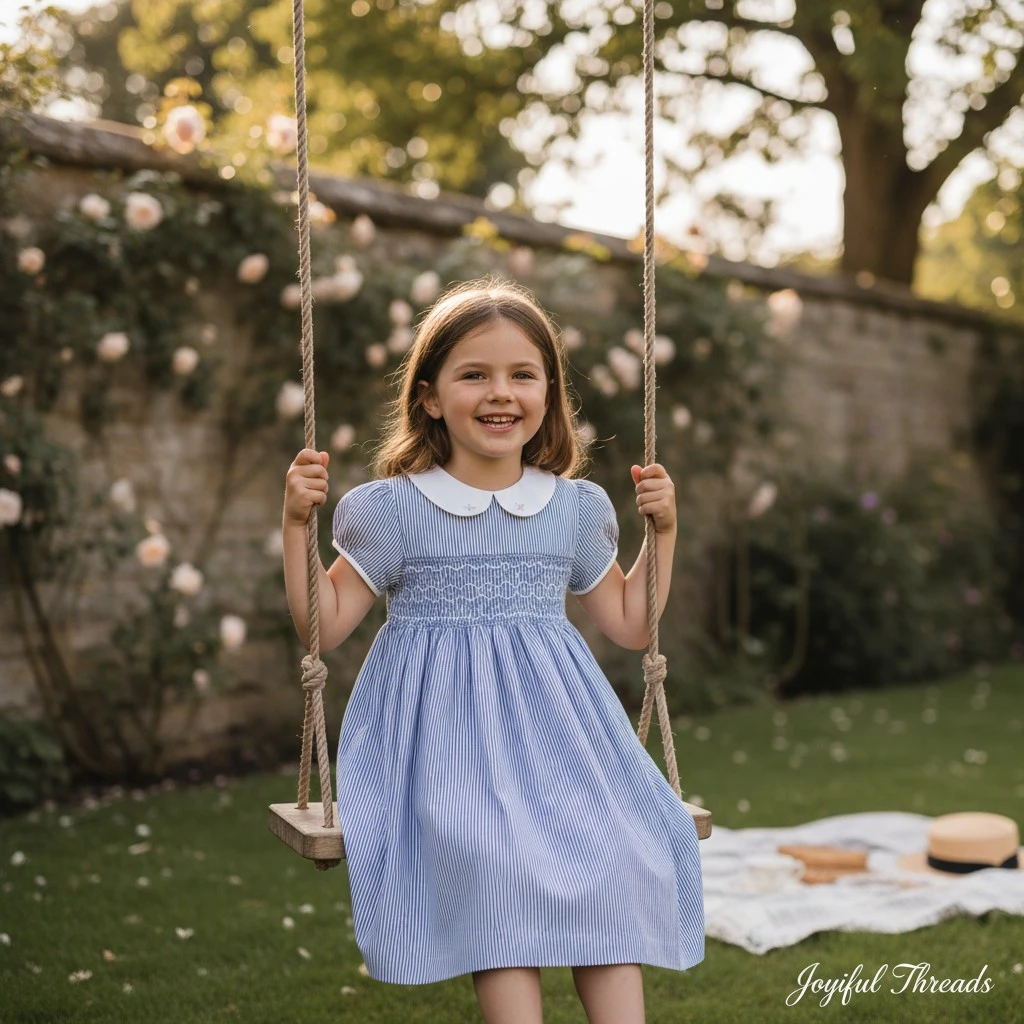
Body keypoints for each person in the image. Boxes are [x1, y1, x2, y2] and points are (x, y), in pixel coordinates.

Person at [282, 275, 704, 1024]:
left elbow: (633, 623)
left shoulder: (571, 508)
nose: (500, 392)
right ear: (430, 397)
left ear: (548, 393)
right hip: (446, 751)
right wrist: (294, 528)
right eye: (474, 374)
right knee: (495, 882)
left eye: (522, 374)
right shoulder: (395, 511)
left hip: (561, 745)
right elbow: (328, 622)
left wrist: (662, 537)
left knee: (617, 863)